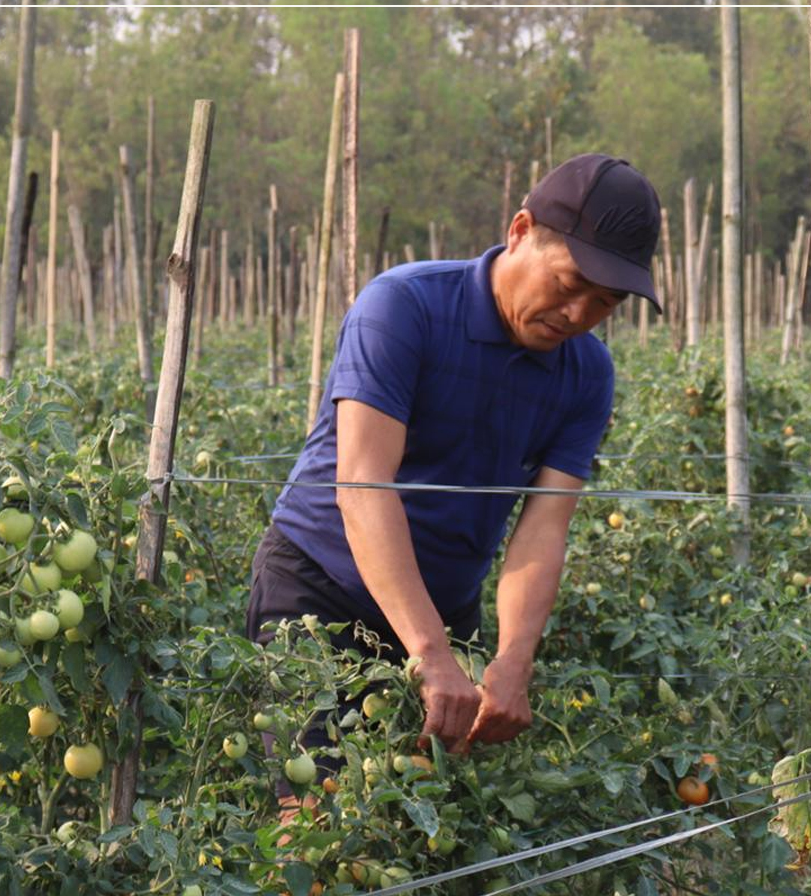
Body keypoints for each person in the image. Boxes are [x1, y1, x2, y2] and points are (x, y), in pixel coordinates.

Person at [243, 154, 663, 797]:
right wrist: (431, 656)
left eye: (603, 303)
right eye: (568, 282)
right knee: (316, 826)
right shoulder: (404, 307)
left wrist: (513, 659)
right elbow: (362, 487)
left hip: (444, 608)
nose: (578, 313)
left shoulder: (587, 374)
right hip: (319, 591)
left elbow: (543, 530)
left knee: (429, 836)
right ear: (520, 231)